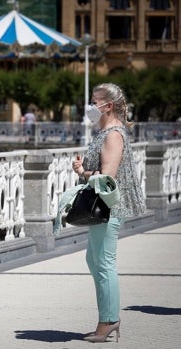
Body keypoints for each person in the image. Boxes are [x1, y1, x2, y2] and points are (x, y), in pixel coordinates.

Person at [72, 83, 145, 342]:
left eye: (94, 101)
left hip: (108, 208)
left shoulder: (113, 134)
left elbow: (108, 177)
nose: (91, 106)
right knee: (95, 261)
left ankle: (109, 321)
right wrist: (84, 169)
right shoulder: (106, 132)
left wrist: (83, 174)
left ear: (108, 106)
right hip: (104, 208)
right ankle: (108, 318)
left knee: (104, 264)